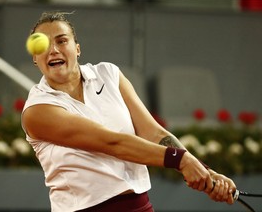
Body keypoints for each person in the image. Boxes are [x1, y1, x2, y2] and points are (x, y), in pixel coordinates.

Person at [22, 11, 236, 212]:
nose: (53, 50)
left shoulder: (109, 74)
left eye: (61, 40)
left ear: (77, 48)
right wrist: (181, 160)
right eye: (44, 44)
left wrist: (205, 171)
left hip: (139, 206)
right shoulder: (37, 111)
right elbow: (111, 143)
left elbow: (153, 132)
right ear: (35, 58)